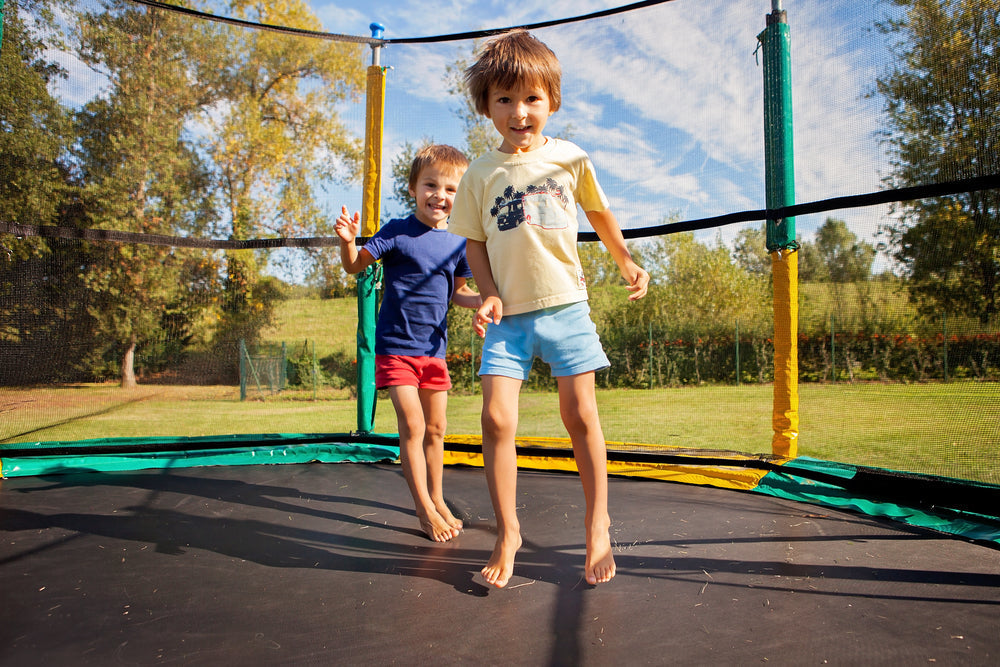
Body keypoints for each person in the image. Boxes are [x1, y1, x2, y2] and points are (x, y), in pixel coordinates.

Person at [448, 30, 650, 588]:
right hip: (508, 317)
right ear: (487, 107)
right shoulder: (480, 173)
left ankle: (598, 522)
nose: (520, 112)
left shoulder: (570, 158)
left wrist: (627, 262)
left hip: (565, 307)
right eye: (505, 100)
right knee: (495, 419)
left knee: (580, 415)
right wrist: (487, 292)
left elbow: (601, 214)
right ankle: (508, 530)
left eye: (532, 98)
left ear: (551, 101)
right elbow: (474, 244)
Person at [336, 144, 481, 543]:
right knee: (413, 425)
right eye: (430, 185)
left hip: (434, 351)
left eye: (451, 189)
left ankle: (436, 497)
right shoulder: (396, 231)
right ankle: (423, 510)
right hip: (396, 348)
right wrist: (349, 241)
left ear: (460, 196)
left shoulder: (458, 242)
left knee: (437, 428)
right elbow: (354, 265)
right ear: (414, 188)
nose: (440, 195)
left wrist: (483, 303)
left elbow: (460, 293)